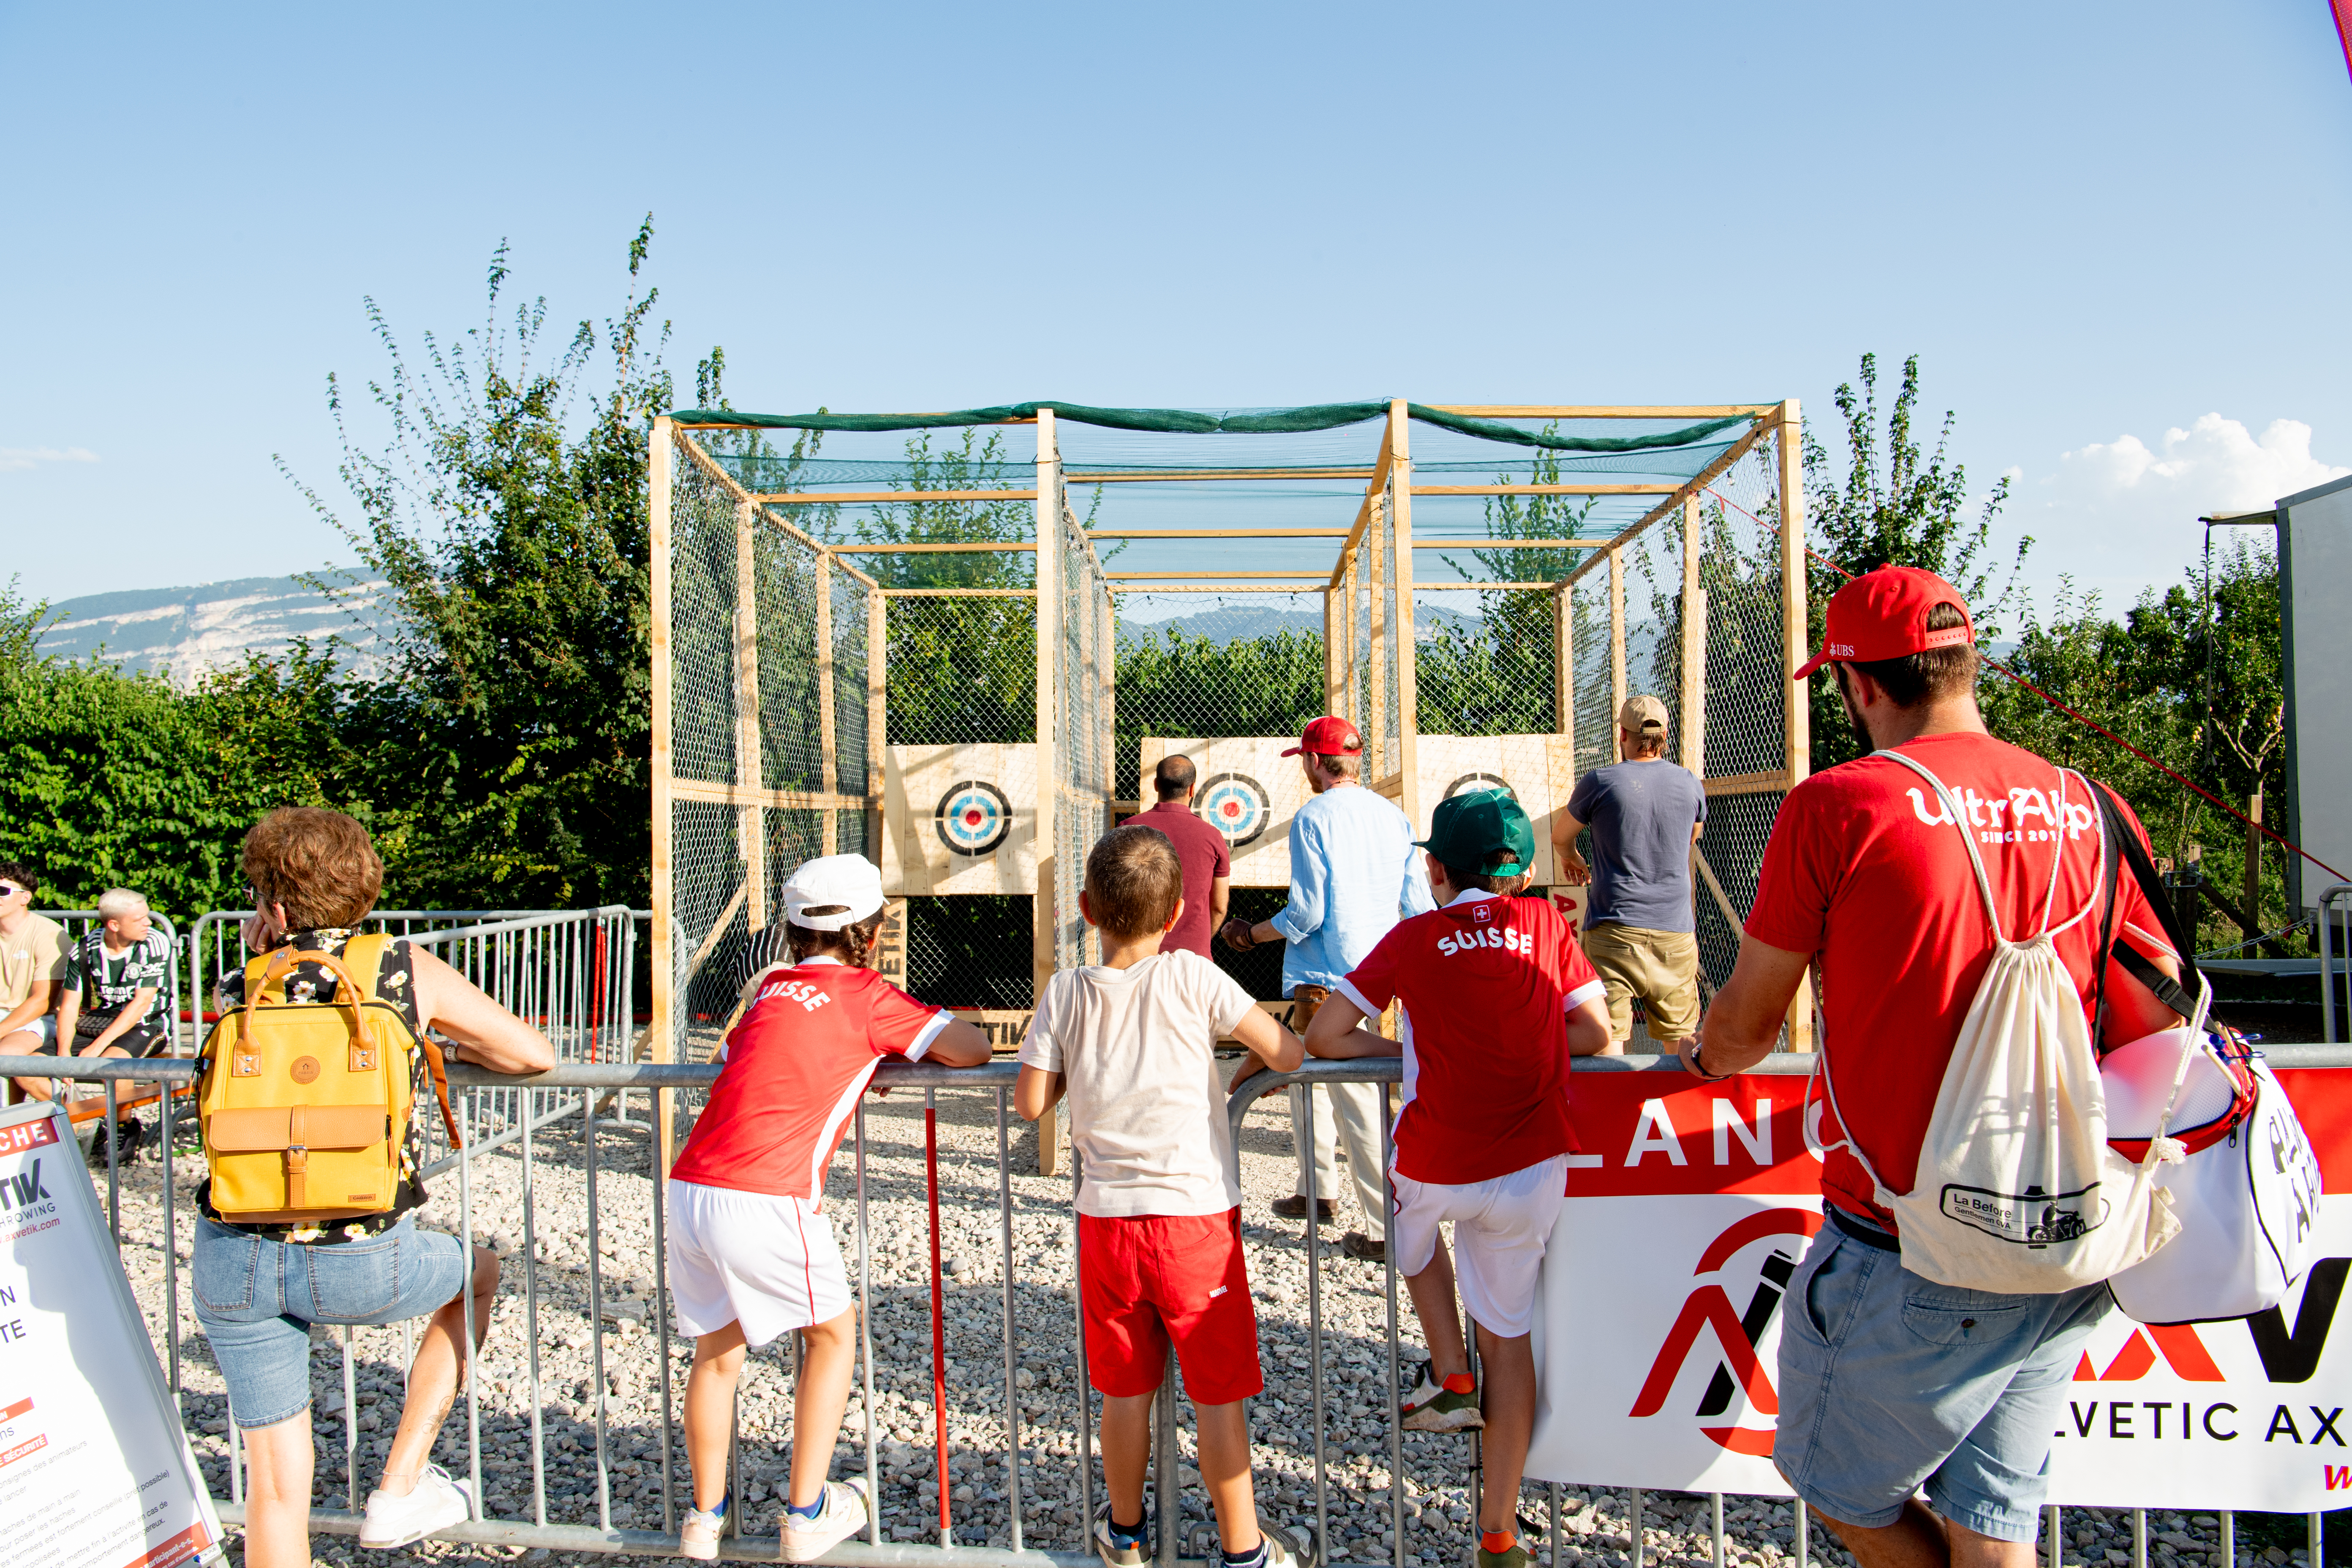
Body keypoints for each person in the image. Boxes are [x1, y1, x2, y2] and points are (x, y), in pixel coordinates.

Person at [1687, 567, 2183, 1568]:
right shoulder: (2091, 805)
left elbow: (1744, 1027)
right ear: (1962, 663)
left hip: (1905, 1233)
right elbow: (2158, 1006)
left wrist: (1700, 1054)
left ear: (1858, 685)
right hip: (2070, 1219)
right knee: (1994, 1518)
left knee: (1831, 1482)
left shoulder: (1839, 806)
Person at [190, 808, 558, 1567]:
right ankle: (401, 1482)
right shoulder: (397, 967)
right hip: (358, 1254)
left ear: (274, 906)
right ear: (362, 891)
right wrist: (436, 1043)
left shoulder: (239, 981)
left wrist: (266, 945)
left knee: (275, 1493)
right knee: (476, 1273)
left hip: (234, 1254)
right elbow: (531, 1053)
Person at [1302, 790, 1610, 1568]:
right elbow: (1596, 1031)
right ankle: (1499, 1534)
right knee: (1512, 1342)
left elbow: (1324, 1035)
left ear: (1435, 868)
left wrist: (1403, 1050)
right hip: (1531, 1163)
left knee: (1410, 1241)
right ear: (1522, 868)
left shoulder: (1410, 939)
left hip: (1437, 1159)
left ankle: (1447, 1369)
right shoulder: (1547, 925)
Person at [666, 853, 994, 1561]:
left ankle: (701, 1517)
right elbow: (970, 1047)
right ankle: (805, 1511)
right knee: (830, 1336)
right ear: (870, 934)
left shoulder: (768, 988)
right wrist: (900, 1045)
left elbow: (763, 1062)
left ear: (789, 929)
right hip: (768, 1192)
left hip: (692, 1185)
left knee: (716, 1354)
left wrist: (859, 1061)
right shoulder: (868, 995)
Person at [1016, 825, 1308, 1568]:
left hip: (1107, 1221)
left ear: (1086, 906)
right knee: (1217, 1397)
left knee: (1124, 1392)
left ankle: (1124, 1534)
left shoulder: (1066, 992)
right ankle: (1241, 1548)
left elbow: (1027, 1103)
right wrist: (1244, 1059)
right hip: (1194, 1219)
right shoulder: (1192, 977)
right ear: (1181, 908)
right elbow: (1287, 1051)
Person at [1221, 716, 1432, 1263]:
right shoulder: (1394, 817)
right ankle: (1316, 1192)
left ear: (1316, 762)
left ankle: (1386, 1228)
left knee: (1355, 1099)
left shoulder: (1312, 818)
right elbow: (1419, 907)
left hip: (1327, 977)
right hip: (1382, 974)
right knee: (1308, 1080)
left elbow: (1308, 913)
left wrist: (1253, 934)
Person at [1552, 694, 1707, 1052]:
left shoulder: (1601, 782)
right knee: (1682, 1045)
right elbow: (1692, 838)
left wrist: (1571, 857)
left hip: (1613, 931)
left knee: (1607, 1041)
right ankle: (1674, 1108)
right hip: (1675, 933)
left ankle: (1614, 1111)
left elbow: (1561, 836)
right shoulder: (1689, 783)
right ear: (1664, 736)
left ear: (1622, 734)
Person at [46, 887, 175, 1153]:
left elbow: (141, 1004)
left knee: (115, 1062)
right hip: (102, 1019)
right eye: (140, 919)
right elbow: (69, 1005)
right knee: (30, 1067)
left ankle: (124, 1127)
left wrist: (96, 1048)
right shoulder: (86, 947)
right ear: (114, 925)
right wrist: (62, 1057)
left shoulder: (154, 941)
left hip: (149, 1023)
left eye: (147, 916)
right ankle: (86, 1122)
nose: (148, 923)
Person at [1126, 754, 1231, 960]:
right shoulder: (1212, 837)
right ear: (1192, 789)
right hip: (1194, 960)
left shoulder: (1129, 828)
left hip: (1138, 959)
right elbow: (1218, 908)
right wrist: (1199, 940)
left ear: (1156, 785)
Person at [0, 863, 69, 1088]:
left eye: (3, 891)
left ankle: (70, 1114)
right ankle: (13, 1117)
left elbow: (42, 1002)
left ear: (25, 898)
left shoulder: (49, 934)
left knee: (6, 1057)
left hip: (38, 1018)